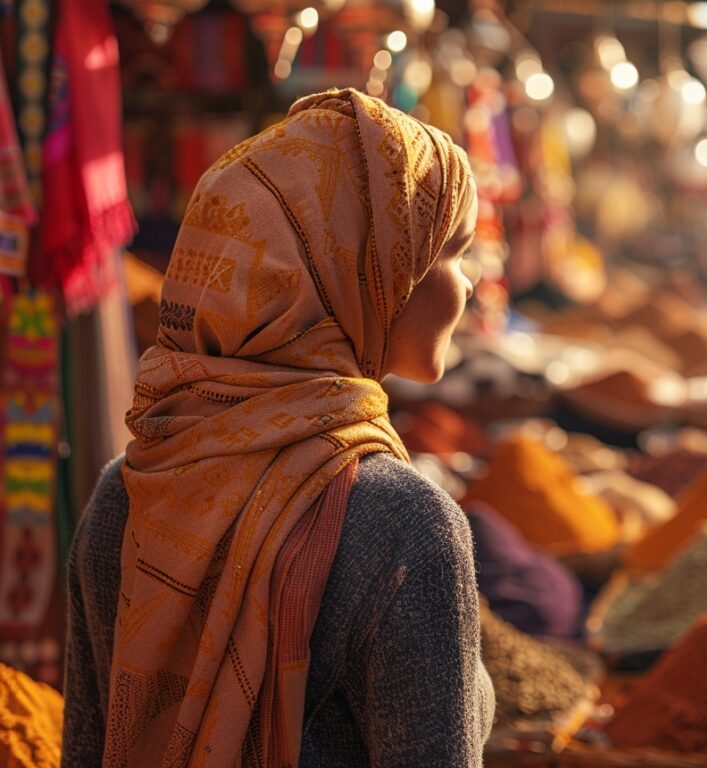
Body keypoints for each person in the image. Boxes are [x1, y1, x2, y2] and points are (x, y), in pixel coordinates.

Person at [63, 89, 494, 766]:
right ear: (362, 275)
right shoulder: (402, 525)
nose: (470, 284)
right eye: (451, 253)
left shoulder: (127, 491)